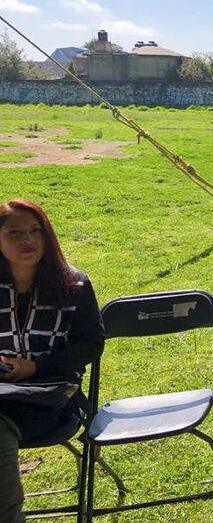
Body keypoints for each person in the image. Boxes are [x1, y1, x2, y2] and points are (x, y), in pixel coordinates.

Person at [0, 199, 104, 523]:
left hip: (53, 403)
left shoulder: (73, 285)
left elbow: (90, 345)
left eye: (35, 231)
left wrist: (36, 368)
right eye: (14, 233)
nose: (27, 240)